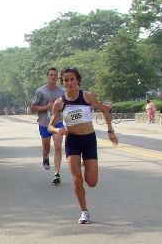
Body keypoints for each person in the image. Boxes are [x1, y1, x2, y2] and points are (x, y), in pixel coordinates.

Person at [48, 67, 118, 224]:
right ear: (63, 82)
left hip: (88, 140)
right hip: (72, 141)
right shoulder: (59, 103)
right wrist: (57, 129)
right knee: (77, 179)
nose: (69, 82)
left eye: (72, 79)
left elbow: (105, 110)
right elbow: (50, 126)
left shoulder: (87, 96)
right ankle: (84, 212)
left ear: (77, 80)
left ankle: (86, 164)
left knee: (92, 182)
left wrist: (110, 131)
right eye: (66, 80)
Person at [31, 67, 66, 184]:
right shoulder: (40, 91)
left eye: (55, 75)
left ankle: (57, 173)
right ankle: (45, 157)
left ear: (57, 78)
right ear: (47, 77)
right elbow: (32, 108)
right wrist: (47, 107)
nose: (53, 77)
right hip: (44, 123)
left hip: (57, 122)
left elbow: (67, 105)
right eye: (51, 75)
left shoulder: (62, 92)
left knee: (57, 147)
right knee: (47, 149)